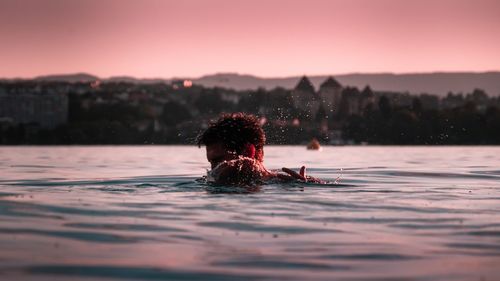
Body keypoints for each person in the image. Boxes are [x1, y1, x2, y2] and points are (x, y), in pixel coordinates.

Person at [197, 112, 323, 185]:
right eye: (212, 163)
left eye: (218, 161)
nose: (213, 170)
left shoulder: (294, 183)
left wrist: (302, 186)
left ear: (248, 152)